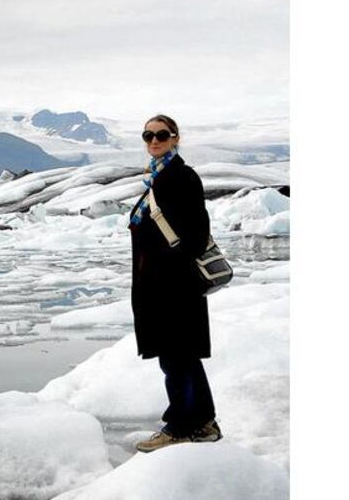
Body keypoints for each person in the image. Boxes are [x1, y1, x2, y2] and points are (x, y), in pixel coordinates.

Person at [128, 115, 222, 452]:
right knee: (181, 357)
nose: (154, 140)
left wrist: (169, 273)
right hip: (160, 287)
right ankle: (204, 421)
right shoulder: (158, 178)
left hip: (174, 289)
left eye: (162, 135)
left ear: (175, 138)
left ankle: (181, 425)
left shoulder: (181, 177)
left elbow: (196, 235)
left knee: (177, 358)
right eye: (148, 135)